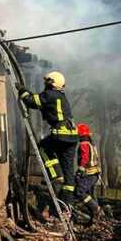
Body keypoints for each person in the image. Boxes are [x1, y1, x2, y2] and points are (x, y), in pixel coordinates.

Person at [15, 71, 79, 205]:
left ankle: (55, 174)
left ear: (51, 83)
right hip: (72, 136)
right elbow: (40, 102)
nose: (45, 85)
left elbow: (31, 101)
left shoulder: (49, 94)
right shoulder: (61, 95)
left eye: (46, 82)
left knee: (43, 148)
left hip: (61, 133)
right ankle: (67, 203)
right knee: (68, 170)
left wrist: (22, 90)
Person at [75, 123, 104, 221]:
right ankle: (96, 218)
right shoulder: (92, 144)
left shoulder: (83, 145)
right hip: (94, 174)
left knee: (80, 192)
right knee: (91, 195)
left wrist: (81, 169)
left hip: (88, 174)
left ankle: (97, 210)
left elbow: (85, 157)